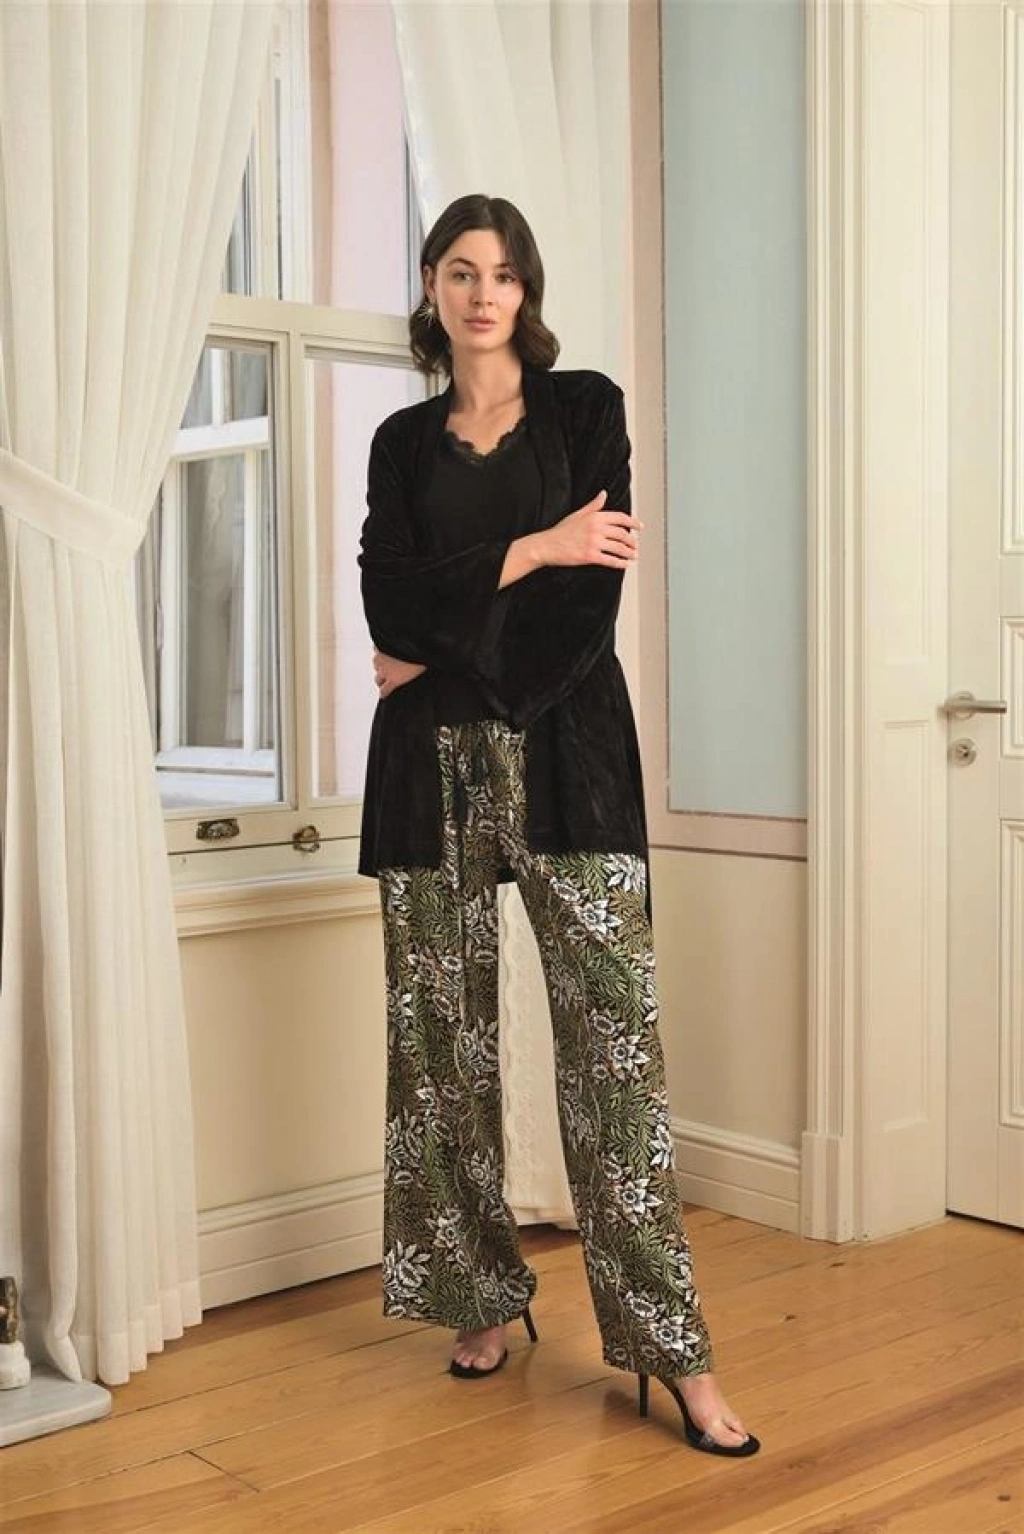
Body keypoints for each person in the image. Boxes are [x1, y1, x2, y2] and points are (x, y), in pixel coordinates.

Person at [358, 193, 759, 1457]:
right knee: (440, 1053)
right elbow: (382, 602)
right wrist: (535, 546)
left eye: (505, 273)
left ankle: (673, 1351)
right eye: (460, 271)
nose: (483, 294)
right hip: (424, 776)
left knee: (613, 1056)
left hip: (568, 755)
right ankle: (477, 1296)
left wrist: (442, 647)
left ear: (526, 292)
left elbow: (588, 607)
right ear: (431, 287)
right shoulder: (399, 442)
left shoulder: (585, 410)